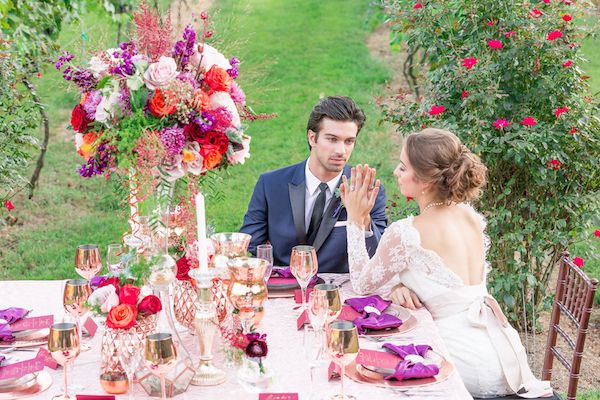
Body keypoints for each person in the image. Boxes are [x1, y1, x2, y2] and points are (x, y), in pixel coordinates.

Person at [341, 128, 553, 398]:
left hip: (460, 365)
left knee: (367, 365)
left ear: (426, 181)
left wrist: (355, 219)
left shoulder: (406, 232)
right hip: (500, 354)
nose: (396, 172)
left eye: (403, 167)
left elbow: (360, 284)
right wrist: (397, 285)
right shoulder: (471, 216)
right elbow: (440, 280)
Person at [240, 96, 388, 273]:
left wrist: (362, 218)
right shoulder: (270, 184)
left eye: (349, 141)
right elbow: (251, 244)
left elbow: (380, 257)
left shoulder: (368, 191)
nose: (341, 150)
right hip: (283, 290)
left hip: (338, 293)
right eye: (332, 139)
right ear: (312, 138)